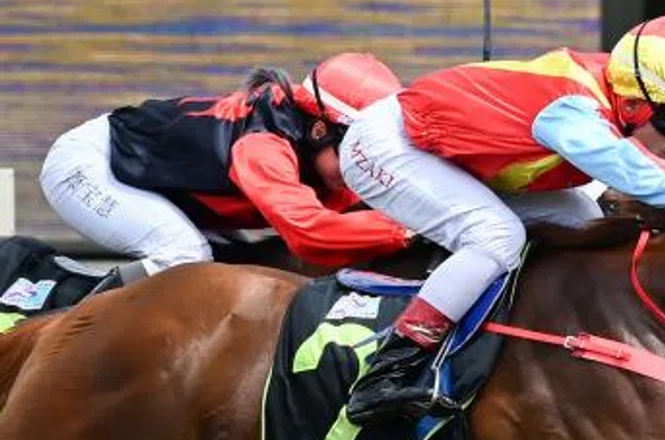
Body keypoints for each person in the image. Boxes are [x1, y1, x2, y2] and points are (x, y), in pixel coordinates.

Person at [339, 15, 665, 426]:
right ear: (633, 106)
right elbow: (640, 176)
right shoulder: (572, 110)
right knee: (496, 236)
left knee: (584, 220)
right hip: (390, 146)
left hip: (455, 157)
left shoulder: (624, 95)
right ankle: (386, 374)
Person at [39, 53, 412, 290]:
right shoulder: (263, 147)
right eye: (357, 154)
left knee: (228, 269)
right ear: (319, 130)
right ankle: (71, 318)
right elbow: (309, 233)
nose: (363, 169)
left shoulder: (318, 142)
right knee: (185, 255)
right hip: (88, 165)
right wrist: (410, 229)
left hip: (165, 182)